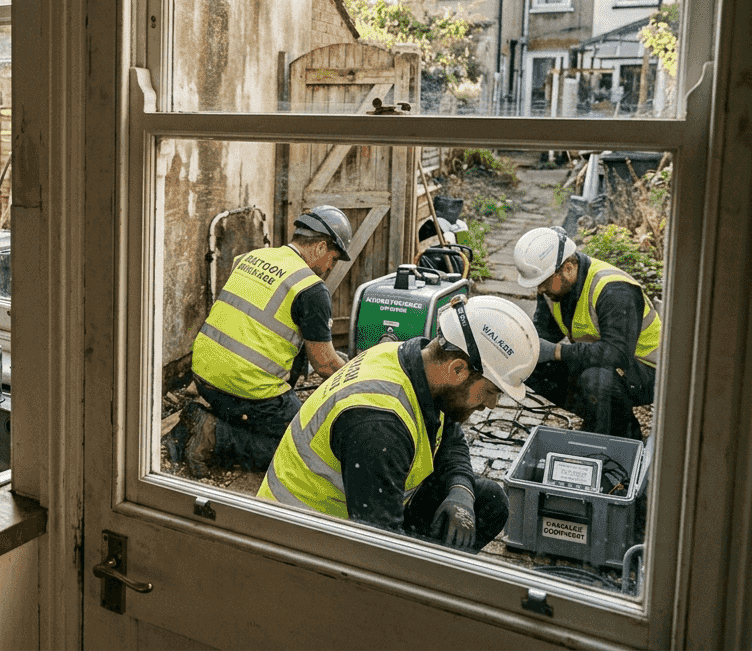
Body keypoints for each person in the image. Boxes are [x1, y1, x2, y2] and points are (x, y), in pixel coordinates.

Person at [257, 295, 539, 554]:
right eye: (490, 391)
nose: (491, 404)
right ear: (457, 369)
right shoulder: (380, 428)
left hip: (359, 514)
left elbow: (449, 435)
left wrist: (460, 491)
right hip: (305, 544)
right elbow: (381, 552)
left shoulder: (416, 363)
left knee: (488, 502)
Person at [175, 205, 354, 478]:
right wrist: (355, 375)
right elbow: (325, 365)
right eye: (334, 258)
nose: (331, 267)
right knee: (306, 448)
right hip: (244, 391)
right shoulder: (311, 288)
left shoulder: (250, 257)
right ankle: (215, 436)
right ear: (320, 247)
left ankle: (202, 424)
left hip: (203, 377)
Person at [513, 226, 661, 439]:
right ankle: (601, 419)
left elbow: (617, 354)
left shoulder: (614, 290)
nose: (540, 290)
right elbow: (543, 334)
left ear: (568, 268)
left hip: (649, 370)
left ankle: (626, 438)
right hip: (606, 362)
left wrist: (557, 352)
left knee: (596, 380)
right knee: (530, 364)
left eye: (543, 282)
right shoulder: (555, 288)